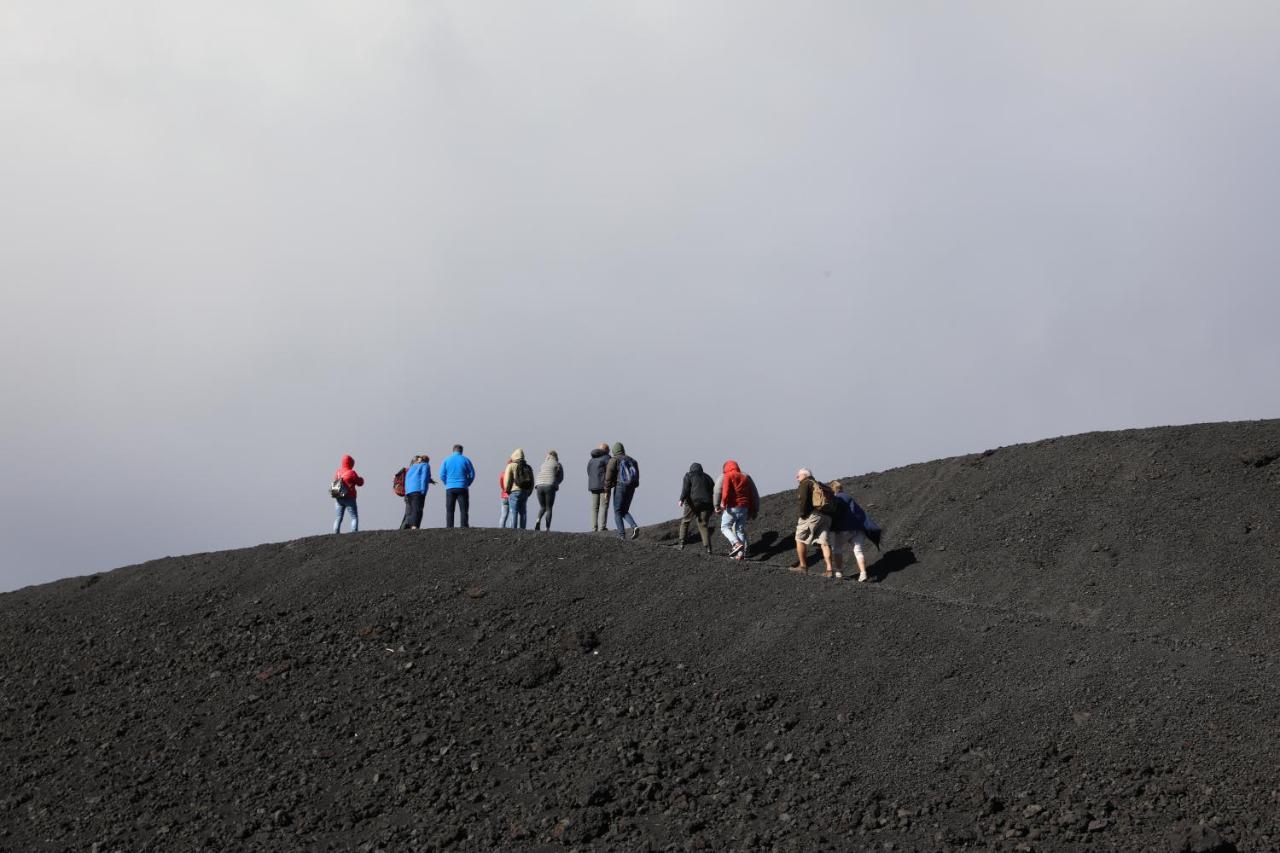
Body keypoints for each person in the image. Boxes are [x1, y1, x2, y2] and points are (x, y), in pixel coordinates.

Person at [792, 468, 835, 576]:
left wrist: (803, 515)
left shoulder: (806, 483)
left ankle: (803, 566)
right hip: (826, 516)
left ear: (805, 475)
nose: (797, 477)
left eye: (798, 475)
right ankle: (829, 570)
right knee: (824, 543)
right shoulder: (819, 484)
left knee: (799, 538)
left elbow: (804, 499)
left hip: (813, 515)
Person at [829, 481, 871, 582]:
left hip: (843, 529)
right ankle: (863, 573)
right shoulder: (849, 497)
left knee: (837, 548)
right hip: (857, 528)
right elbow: (858, 512)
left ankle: (839, 572)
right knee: (858, 550)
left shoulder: (835, 499)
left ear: (832, 489)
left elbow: (835, 514)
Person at [719, 460, 760, 560]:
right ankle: (741, 555)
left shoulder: (728, 476)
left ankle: (736, 544)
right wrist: (752, 508)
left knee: (724, 527)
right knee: (739, 530)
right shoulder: (744, 477)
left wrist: (723, 503)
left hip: (733, 506)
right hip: (744, 507)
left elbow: (725, 492)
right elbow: (750, 494)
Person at [676, 462, 715, 554]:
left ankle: (681, 544)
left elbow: (685, 489)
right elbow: (714, 490)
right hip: (707, 504)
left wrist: (681, 499)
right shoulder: (708, 477)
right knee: (703, 524)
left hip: (693, 502)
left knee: (686, 521)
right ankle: (708, 548)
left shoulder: (688, 475)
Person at [605, 442, 640, 539]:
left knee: (617, 511)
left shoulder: (614, 460)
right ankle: (634, 526)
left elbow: (608, 477)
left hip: (620, 486)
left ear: (614, 451)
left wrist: (606, 491)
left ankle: (622, 535)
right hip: (631, 487)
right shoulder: (632, 460)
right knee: (624, 510)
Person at [439, 444, 476, 528]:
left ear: (453, 450)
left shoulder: (447, 460)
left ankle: (449, 526)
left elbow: (441, 474)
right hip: (462, 486)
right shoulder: (466, 460)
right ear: (461, 451)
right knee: (463, 509)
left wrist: (446, 483)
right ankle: (464, 526)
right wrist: (468, 483)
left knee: (450, 509)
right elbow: (472, 474)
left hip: (450, 487)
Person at [502, 448, 535, 529]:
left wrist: (507, 490)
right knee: (523, 512)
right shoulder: (528, 467)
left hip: (514, 492)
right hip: (525, 492)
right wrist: (529, 492)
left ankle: (514, 530)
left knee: (514, 511)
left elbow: (507, 479)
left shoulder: (511, 466)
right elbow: (532, 481)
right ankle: (523, 529)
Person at [332, 454, 364, 534]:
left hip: (338, 498)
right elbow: (359, 483)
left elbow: (336, 481)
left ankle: (335, 533)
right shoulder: (352, 473)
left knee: (338, 517)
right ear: (351, 463)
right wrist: (361, 479)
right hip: (350, 498)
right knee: (354, 517)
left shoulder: (338, 472)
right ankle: (354, 534)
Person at [400, 454, 434, 530]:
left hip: (409, 491)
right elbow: (424, 478)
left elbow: (410, 478)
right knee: (417, 509)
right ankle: (414, 526)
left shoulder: (412, 467)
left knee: (410, 510)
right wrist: (423, 491)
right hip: (418, 490)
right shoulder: (425, 465)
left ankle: (406, 526)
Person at [534, 450, 564, 530]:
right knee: (549, 508)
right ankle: (547, 528)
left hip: (539, 485)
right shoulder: (557, 464)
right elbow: (561, 477)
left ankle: (538, 520)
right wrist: (556, 483)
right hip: (549, 486)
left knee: (542, 507)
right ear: (556, 456)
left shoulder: (543, 464)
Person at [587, 443, 611, 532]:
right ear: (606, 450)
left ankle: (594, 528)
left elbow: (588, 471)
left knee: (594, 507)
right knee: (604, 505)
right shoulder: (607, 458)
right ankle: (602, 527)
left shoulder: (591, 459)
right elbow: (610, 471)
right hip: (604, 486)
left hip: (593, 486)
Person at [497, 456, 513, 528]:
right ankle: (512, 529)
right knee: (512, 514)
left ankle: (501, 528)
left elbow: (501, 484)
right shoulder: (514, 474)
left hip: (504, 495)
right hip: (511, 495)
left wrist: (504, 490)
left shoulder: (503, 473)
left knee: (503, 515)